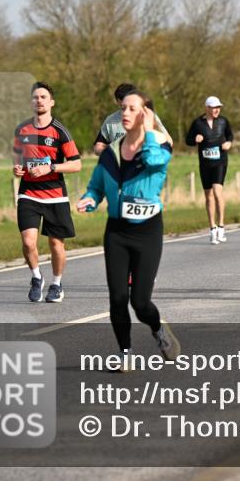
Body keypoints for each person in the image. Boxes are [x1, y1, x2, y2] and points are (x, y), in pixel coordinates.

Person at [77, 91, 179, 365]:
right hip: (117, 232)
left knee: (141, 302)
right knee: (118, 298)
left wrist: (146, 131)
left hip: (147, 231)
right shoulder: (111, 153)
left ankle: (157, 329)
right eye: (123, 108)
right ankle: (125, 354)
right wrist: (90, 198)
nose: (124, 113)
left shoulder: (159, 146)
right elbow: (97, 185)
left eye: (132, 109)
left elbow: (153, 162)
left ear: (145, 114)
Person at [13, 82, 82, 303]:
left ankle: (57, 283)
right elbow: (18, 162)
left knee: (56, 244)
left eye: (43, 97)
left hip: (55, 195)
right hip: (28, 193)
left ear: (51, 102)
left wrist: (50, 167)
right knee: (28, 242)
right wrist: (17, 169)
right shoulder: (22, 130)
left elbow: (76, 164)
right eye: (35, 97)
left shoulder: (60, 131)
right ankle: (36, 277)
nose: (39, 101)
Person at [185, 96, 234, 244]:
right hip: (205, 163)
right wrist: (195, 139)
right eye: (214, 107)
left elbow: (230, 135)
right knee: (208, 195)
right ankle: (212, 228)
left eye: (218, 107)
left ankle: (221, 226)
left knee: (217, 192)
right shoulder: (198, 123)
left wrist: (229, 143)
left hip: (220, 161)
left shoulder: (223, 121)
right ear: (207, 108)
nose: (217, 110)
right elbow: (188, 140)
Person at [93, 83, 171, 154]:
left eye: (132, 107)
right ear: (118, 101)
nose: (126, 112)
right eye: (124, 106)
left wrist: (150, 149)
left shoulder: (148, 116)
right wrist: (111, 154)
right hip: (118, 168)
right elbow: (98, 146)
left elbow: (169, 141)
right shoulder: (110, 120)